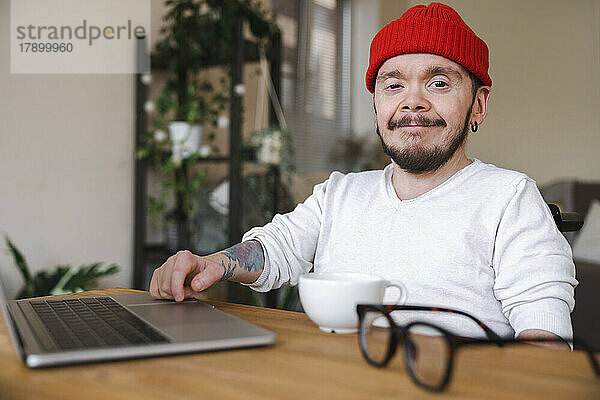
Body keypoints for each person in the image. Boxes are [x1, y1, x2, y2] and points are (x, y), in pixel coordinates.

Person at [149, 3, 576, 349]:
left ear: (478, 105)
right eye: (393, 86)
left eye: (439, 83)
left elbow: (545, 336)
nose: (413, 103)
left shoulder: (510, 197)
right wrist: (213, 264)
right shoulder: (341, 193)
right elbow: (276, 249)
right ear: (376, 107)